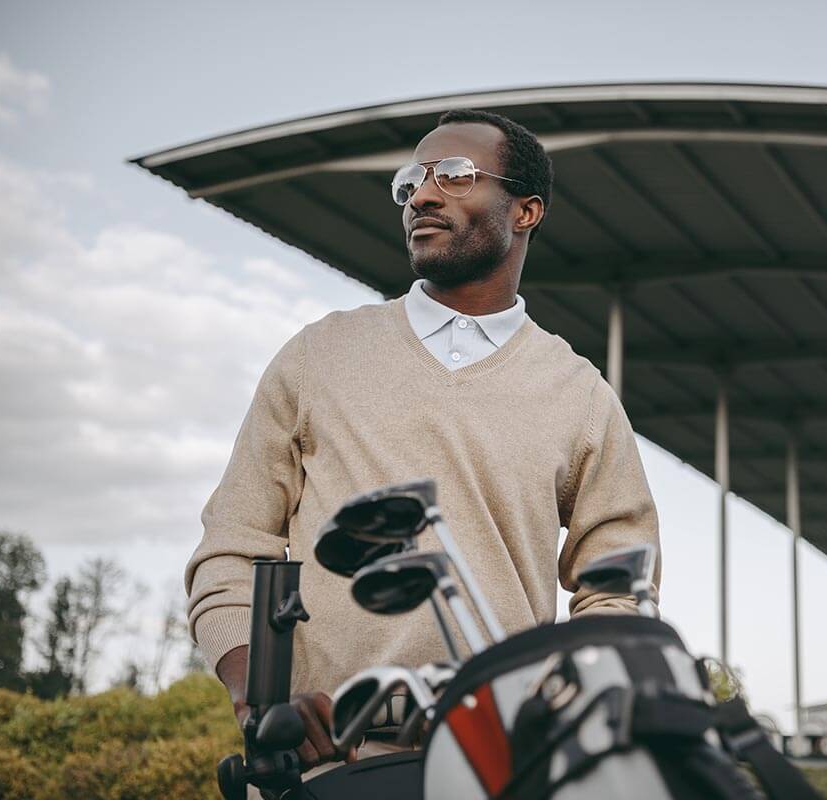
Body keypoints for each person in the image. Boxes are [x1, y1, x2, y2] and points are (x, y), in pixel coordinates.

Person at [184, 109, 661, 779]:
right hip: (325, 770)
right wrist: (258, 696)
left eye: (456, 175)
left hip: (502, 768)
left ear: (526, 211)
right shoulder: (319, 356)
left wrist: (566, 705)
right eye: (412, 180)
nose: (423, 195)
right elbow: (232, 548)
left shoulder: (580, 395)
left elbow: (619, 589)